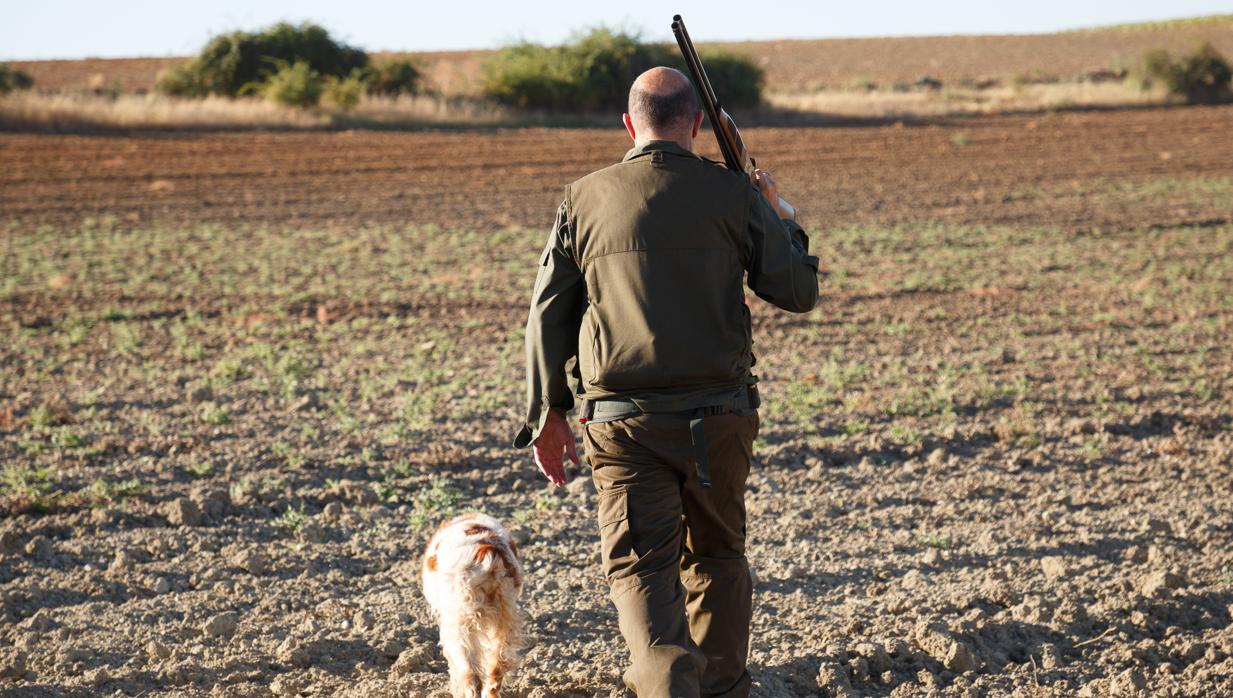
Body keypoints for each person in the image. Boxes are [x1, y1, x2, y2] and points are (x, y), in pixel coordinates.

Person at [514, 66, 820, 698]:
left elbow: (548, 313)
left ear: (629, 124)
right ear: (697, 125)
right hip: (720, 419)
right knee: (718, 558)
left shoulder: (583, 198)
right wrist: (779, 214)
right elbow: (797, 290)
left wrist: (548, 411)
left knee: (643, 570)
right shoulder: (733, 195)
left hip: (623, 426)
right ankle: (724, 691)